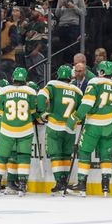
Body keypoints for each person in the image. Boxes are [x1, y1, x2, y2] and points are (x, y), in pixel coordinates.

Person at [66, 61, 112, 197]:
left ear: (102, 72)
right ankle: (105, 186)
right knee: (105, 154)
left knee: (84, 151)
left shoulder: (95, 81)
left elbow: (87, 103)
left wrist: (75, 117)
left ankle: (81, 184)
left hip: (93, 124)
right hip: (109, 125)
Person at [0, 67, 37, 196]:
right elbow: (32, 110)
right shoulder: (31, 91)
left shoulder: (4, 90)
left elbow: (1, 111)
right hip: (25, 130)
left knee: (2, 157)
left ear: (13, 78)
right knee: (23, 157)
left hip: (7, 129)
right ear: (25, 79)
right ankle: (22, 186)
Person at [38, 65, 83, 195]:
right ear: (70, 76)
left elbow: (41, 96)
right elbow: (82, 107)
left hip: (54, 126)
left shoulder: (53, 85)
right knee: (66, 155)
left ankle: (59, 182)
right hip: (70, 128)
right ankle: (65, 181)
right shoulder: (77, 90)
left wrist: (42, 111)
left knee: (56, 154)